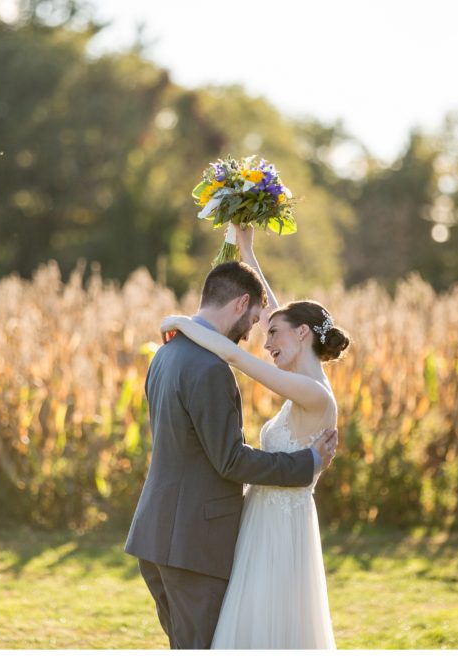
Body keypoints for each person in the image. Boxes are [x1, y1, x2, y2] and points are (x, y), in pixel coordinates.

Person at [124, 235, 339, 650]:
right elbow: (230, 460)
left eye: (273, 333)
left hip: (169, 532)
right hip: (193, 541)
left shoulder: (166, 354)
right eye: (259, 322)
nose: (263, 337)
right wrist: (248, 250)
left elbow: (250, 348)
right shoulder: (208, 367)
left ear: (302, 334)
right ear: (242, 305)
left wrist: (184, 322)